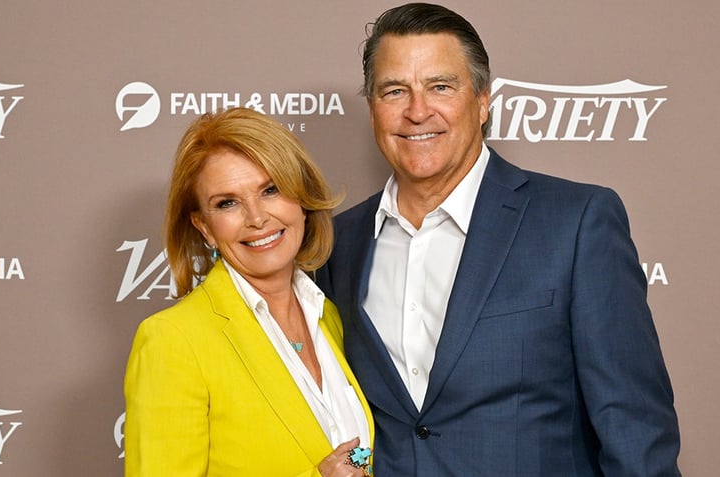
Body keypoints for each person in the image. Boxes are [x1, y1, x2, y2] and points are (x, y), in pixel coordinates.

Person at [316, 3, 681, 476]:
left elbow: (634, 430)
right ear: (372, 110)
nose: (417, 110)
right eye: (394, 91)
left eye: (440, 86)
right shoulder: (338, 242)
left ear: (483, 101)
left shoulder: (576, 222)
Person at [124, 107, 374, 477]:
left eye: (270, 190)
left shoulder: (331, 318)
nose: (256, 218)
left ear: (301, 198)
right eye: (227, 203)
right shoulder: (173, 341)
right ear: (205, 227)